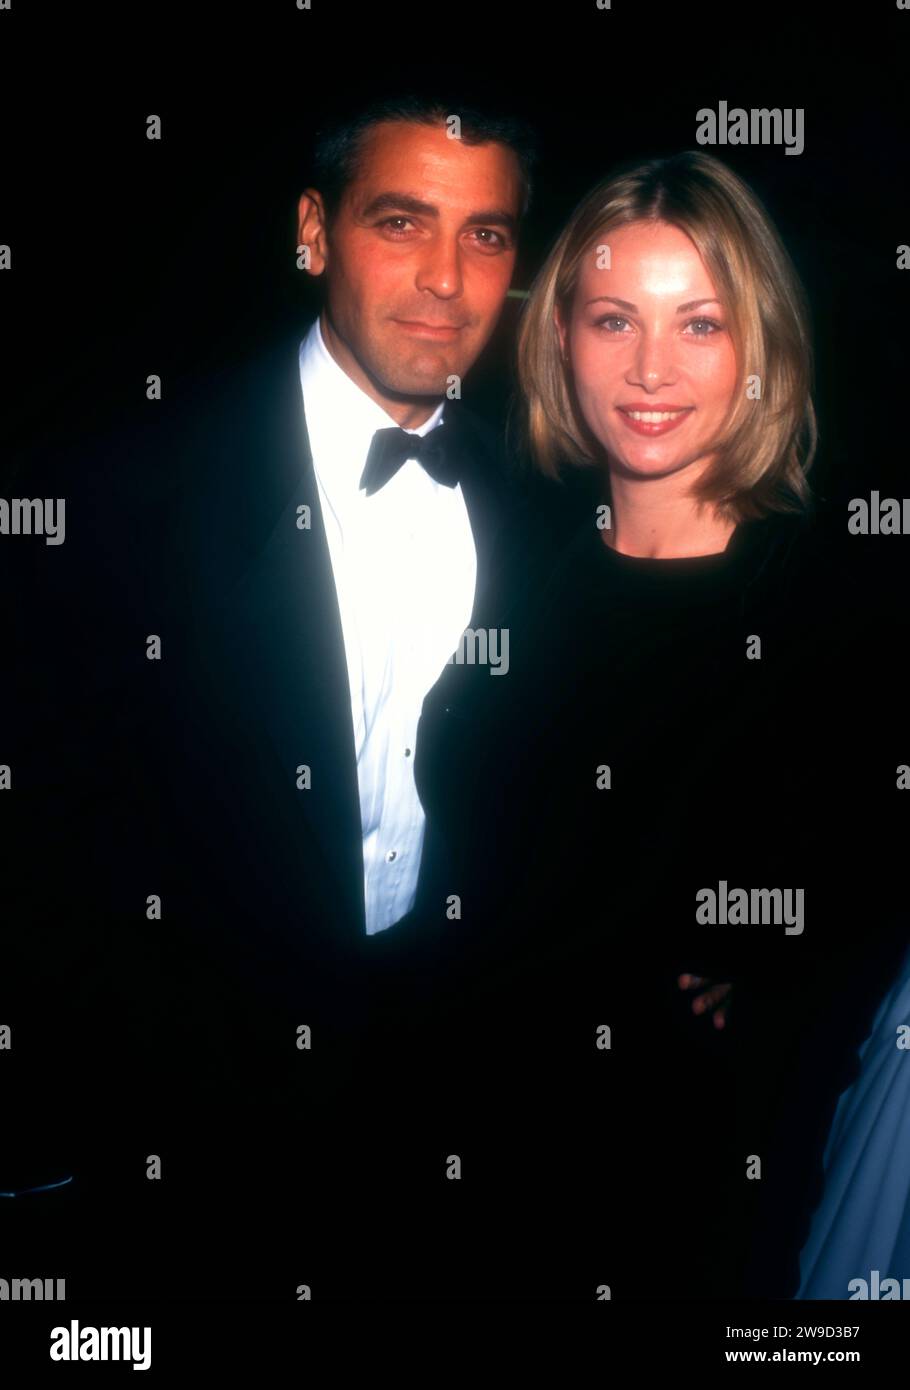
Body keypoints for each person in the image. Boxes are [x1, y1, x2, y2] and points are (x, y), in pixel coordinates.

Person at [3, 92, 546, 1298]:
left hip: (445, 1088)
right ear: (313, 230)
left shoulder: (544, 484)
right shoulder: (121, 488)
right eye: (400, 221)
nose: (447, 280)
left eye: (488, 234)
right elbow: (35, 836)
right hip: (190, 1122)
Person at [413, 150, 898, 1298]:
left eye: (699, 325)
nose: (647, 368)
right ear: (559, 337)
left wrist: (784, 963)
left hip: (676, 1192)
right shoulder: (519, 550)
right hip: (455, 1144)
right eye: (612, 318)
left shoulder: (833, 602)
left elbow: (859, 891)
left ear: (758, 349)